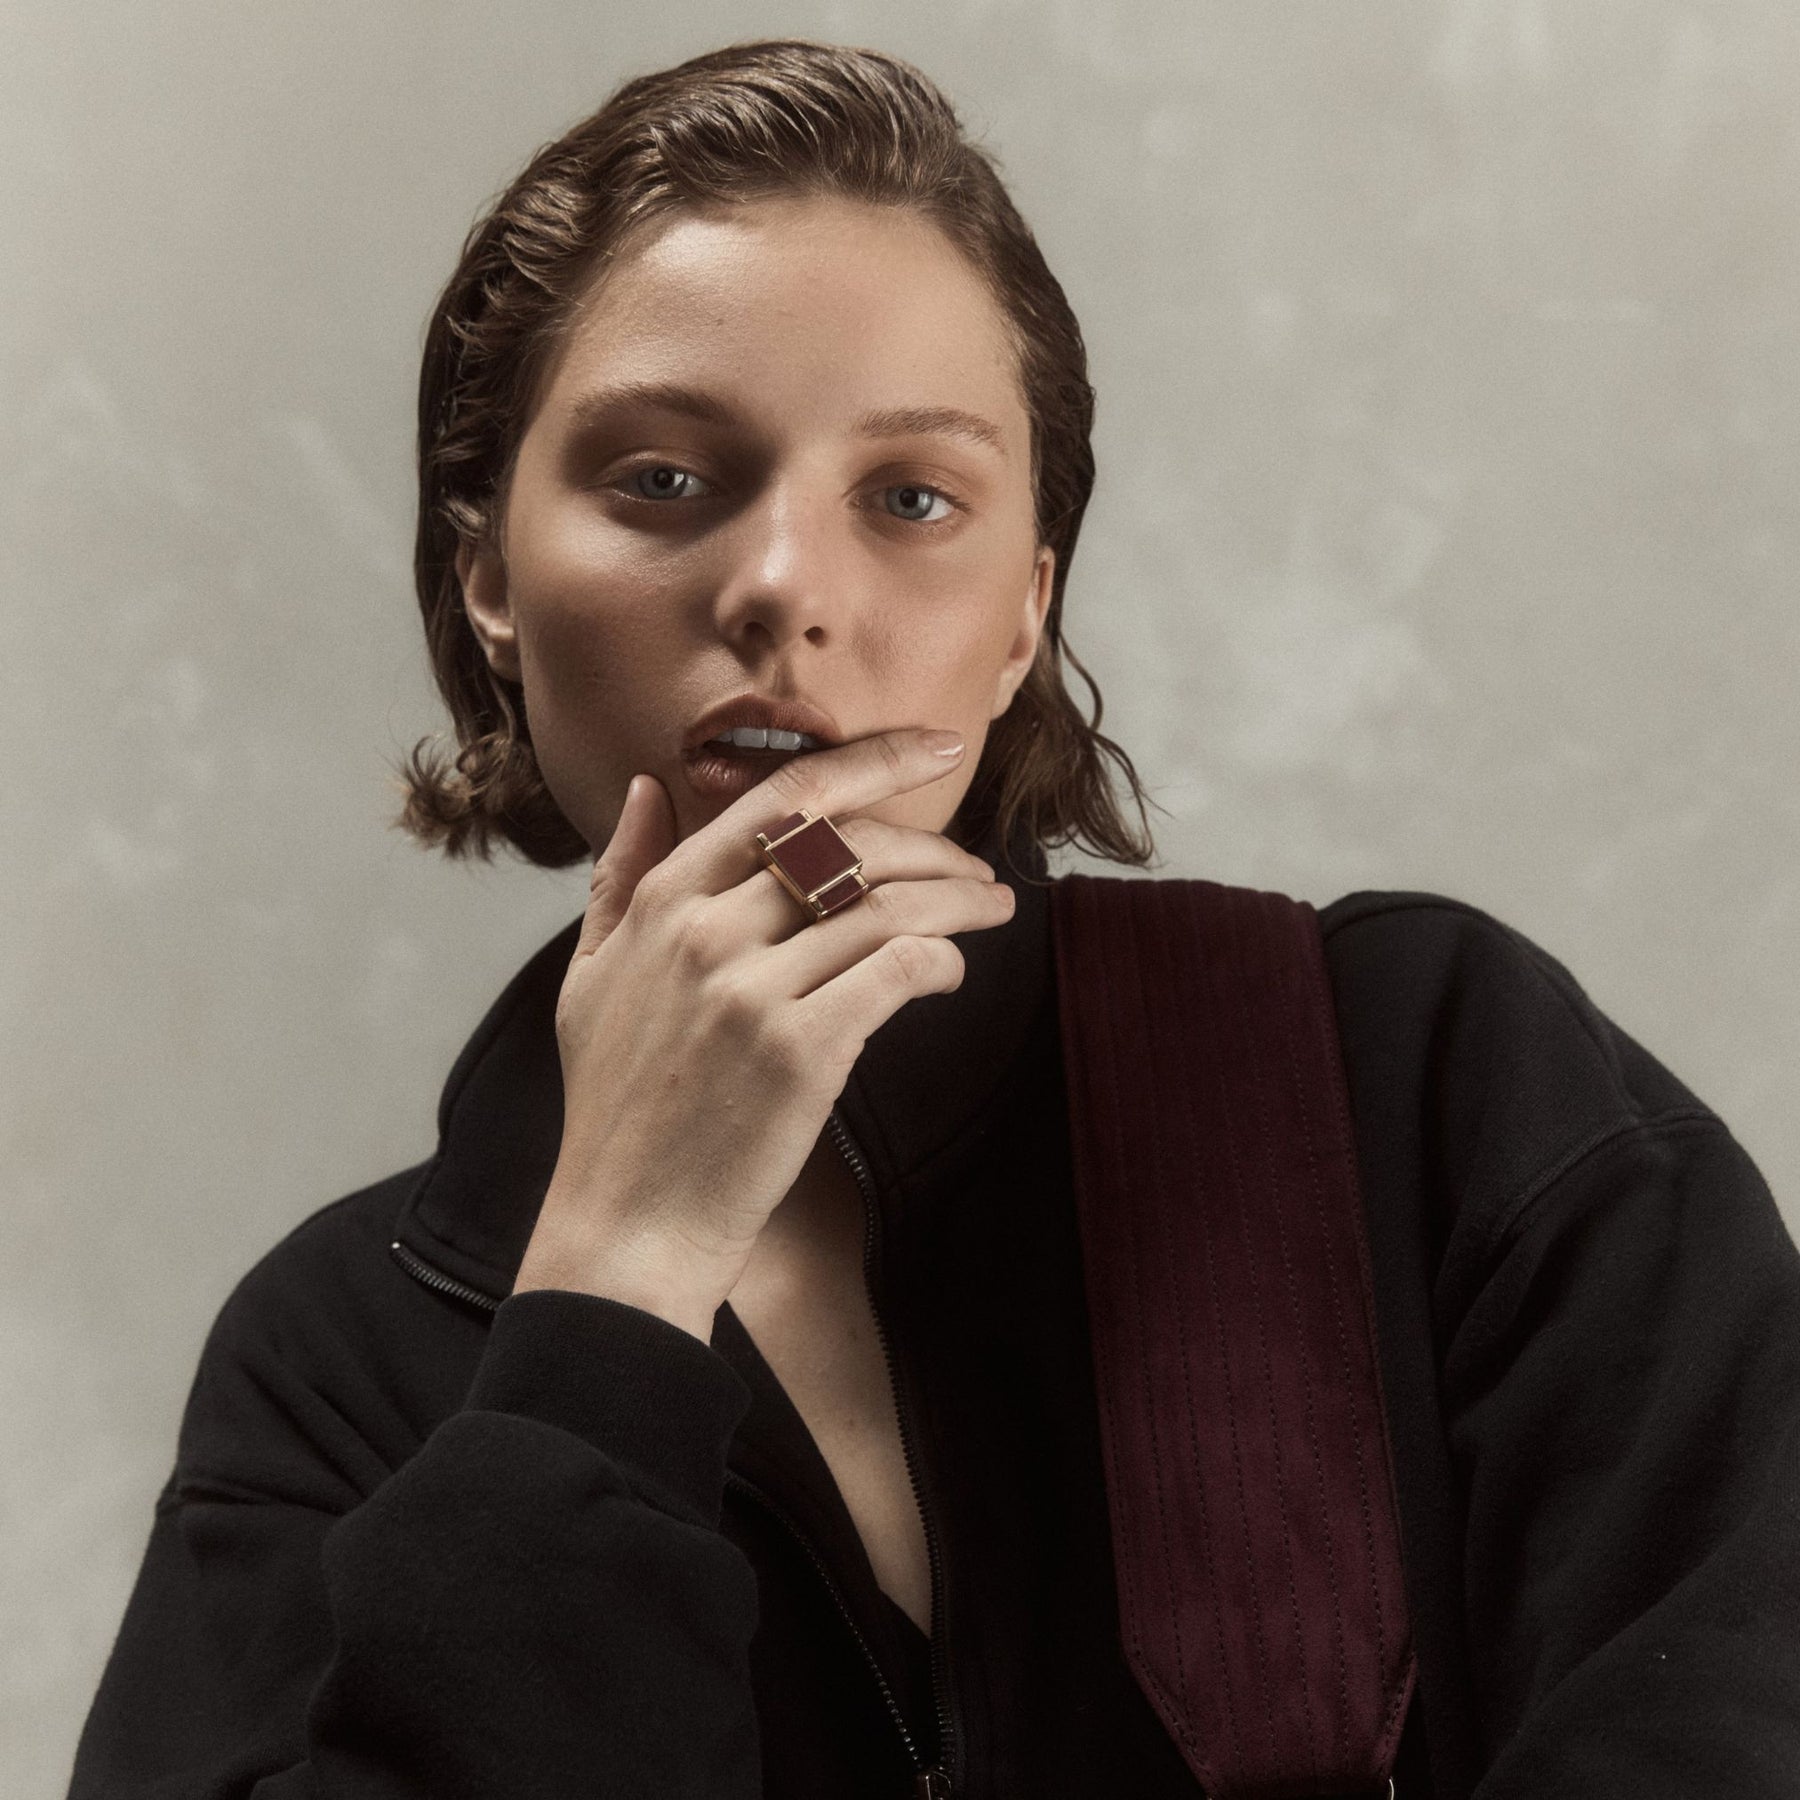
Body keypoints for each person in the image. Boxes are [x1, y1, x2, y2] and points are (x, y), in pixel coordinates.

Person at [68, 39, 1800, 1800]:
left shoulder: (1437, 1089)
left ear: (1026, 609)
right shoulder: (330, 1369)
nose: (783, 589)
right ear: (491, 577)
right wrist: (616, 1279)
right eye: (661, 479)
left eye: (910, 499)